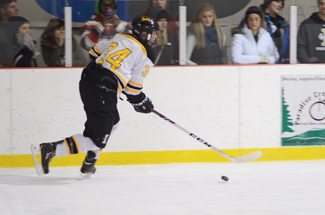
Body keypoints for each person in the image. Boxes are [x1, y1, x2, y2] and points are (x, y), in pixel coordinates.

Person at [32, 15, 159, 177]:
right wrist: (142, 102)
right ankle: (50, 149)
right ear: (143, 33)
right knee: (96, 138)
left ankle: (90, 160)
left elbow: (94, 52)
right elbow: (133, 90)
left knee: (113, 123)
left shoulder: (120, 37)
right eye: (153, 33)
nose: (155, 37)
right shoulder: (147, 53)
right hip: (103, 88)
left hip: (89, 78)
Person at [0, 0, 19, 66]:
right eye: (12, 7)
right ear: (2, 11)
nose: (17, 9)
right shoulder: (2, 29)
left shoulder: (19, 27)